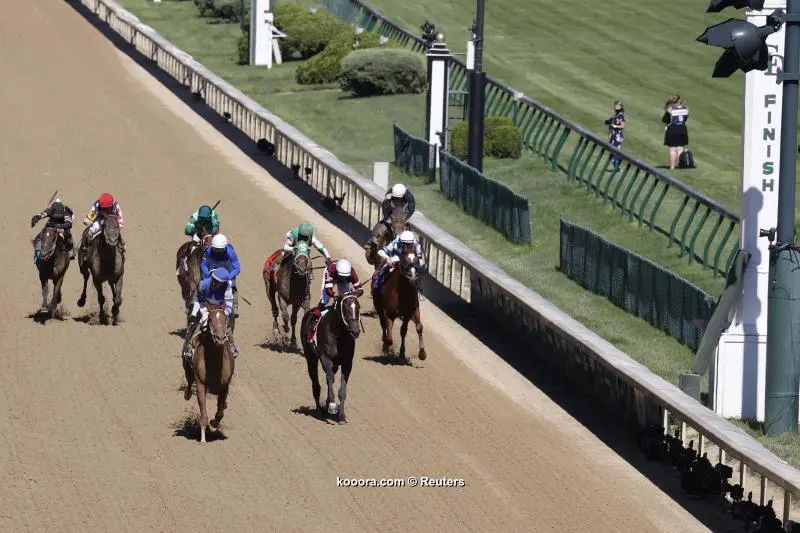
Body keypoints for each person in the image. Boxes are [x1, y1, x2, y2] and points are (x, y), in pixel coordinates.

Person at [182, 267, 239, 366]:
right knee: (199, 324)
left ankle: (232, 346)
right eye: (214, 280)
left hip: (221, 307)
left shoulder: (228, 286)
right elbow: (199, 300)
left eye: (217, 282)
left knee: (226, 325)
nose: (214, 283)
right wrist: (201, 312)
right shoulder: (203, 284)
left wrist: (225, 313)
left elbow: (229, 302)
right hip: (205, 305)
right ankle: (189, 347)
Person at [307, 259, 363, 344]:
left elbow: (360, 290)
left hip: (343, 281)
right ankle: (314, 322)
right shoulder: (330, 270)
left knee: (347, 301)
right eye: (342, 276)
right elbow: (328, 290)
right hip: (332, 278)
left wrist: (353, 294)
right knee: (324, 300)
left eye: (345, 276)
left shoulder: (352, 272)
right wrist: (335, 295)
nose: (343, 278)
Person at [364, 184, 416, 257]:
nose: (397, 199)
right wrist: (387, 218)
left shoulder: (409, 197)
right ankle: (372, 244)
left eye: (399, 198)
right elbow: (385, 209)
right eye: (395, 198)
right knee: (381, 227)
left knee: (409, 232)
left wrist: (406, 218)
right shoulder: (389, 195)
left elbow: (411, 209)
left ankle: (414, 249)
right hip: (391, 216)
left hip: (403, 217)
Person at [201, 234, 241, 315]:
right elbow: (203, 264)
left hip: (227, 268)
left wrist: (228, 277)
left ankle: (235, 306)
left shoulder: (230, 252)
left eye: (220, 250)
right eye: (216, 249)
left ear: (225, 247)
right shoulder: (208, 250)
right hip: (213, 268)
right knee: (204, 283)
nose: (218, 252)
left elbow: (237, 268)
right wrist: (207, 274)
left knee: (232, 285)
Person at [31, 198, 76, 263]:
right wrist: (36, 218)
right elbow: (42, 215)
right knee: (39, 236)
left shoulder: (67, 213)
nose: (56, 218)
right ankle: (37, 253)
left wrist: (59, 226)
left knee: (67, 235)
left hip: (63, 225)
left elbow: (68, 224)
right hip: (52, 224)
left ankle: (70, 251)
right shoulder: (50, 210)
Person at [662, 95, 689, 170]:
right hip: (682, 129)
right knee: (680, 148)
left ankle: (672, 166)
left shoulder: (670, 109)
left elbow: (664, 120)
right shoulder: (686, 109)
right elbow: (686, 118)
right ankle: (680, 165)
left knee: (673, 149)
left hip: (672, 129)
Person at [604, 101, 625, 169]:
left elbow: (622, 126)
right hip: (613, 135)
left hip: (617, 136)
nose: (616, 107)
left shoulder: (621, 116)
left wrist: (614, 126)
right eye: (615, 106)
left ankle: (617, 167)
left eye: (618, 106)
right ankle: (615, 167)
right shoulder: (616, 115)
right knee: (612, 150)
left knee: (615, 151)